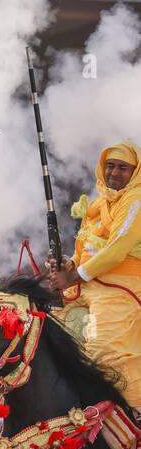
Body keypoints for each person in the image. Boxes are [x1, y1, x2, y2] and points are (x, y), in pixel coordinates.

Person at [46, 140, 141, 415]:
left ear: (135, 172)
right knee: (46, 334)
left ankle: (132, 415)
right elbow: (87, 247)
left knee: (104, 353)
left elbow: (116, 251)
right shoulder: (101, 202)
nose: (114, 172)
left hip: (122, 289)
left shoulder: (135, 200)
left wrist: (73, 276)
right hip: (87, 287)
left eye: (123, 168)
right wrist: (67, 266)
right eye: (110, 165)